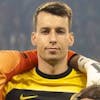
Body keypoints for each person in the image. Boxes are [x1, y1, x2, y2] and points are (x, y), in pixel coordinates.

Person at [3, 1, 87, 100]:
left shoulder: (89, 87)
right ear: (34, 38)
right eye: (45, 32)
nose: (53, 39)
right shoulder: (11, 88)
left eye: (60, 32)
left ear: (70, 38)